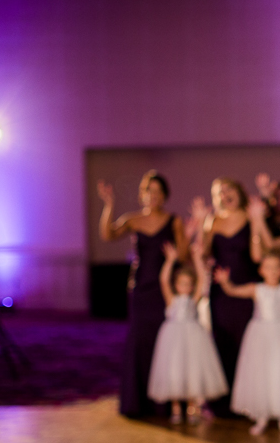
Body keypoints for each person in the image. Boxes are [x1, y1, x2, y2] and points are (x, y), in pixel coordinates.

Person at [97, 170, 187, 417]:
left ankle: (164, 403)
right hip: (140, 289)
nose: (153, 196)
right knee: (139, 342)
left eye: (158, 191)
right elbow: (107, 235)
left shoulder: (174, 220)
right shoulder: (132, 219)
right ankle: (137, 403)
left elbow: (185, 255)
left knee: (164, 342)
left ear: (164, 195)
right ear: (142, 195)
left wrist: (177, 254)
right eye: (149, 191)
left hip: (165, 289)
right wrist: (109, 205)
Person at [214, 250, 280, 436]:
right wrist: (225, 282)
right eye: (268, 268)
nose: (272, 271)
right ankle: (261, 415)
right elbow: (232, 290)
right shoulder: (256, 289)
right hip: (260, 335)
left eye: (276, 268)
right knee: (261, 372)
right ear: (261, 270)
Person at [192, 177, 259, 414]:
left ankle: (248, 400)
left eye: (229, 189)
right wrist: (200, 225)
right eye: (219, 192)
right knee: (223, 341)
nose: (224, 195)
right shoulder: (213, 220)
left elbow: (258, 254)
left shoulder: (250, 216)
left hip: (246, 286)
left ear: (238, 191)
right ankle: (225, 401)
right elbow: (204, 253)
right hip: (220, 291)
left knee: (248, 342)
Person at [148, 243, 228, 424]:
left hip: (192, 338)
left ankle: (193, 408)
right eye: (182, 283)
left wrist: (199, 260)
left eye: (189, 284)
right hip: (173, 338)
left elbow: (202, 279)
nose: (186, 286)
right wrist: (170, 261)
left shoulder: (194, 299)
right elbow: (163, 280)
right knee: (175, 371)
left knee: (192, 372)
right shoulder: (172, 299)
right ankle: (176, 408)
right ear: (176, 285)